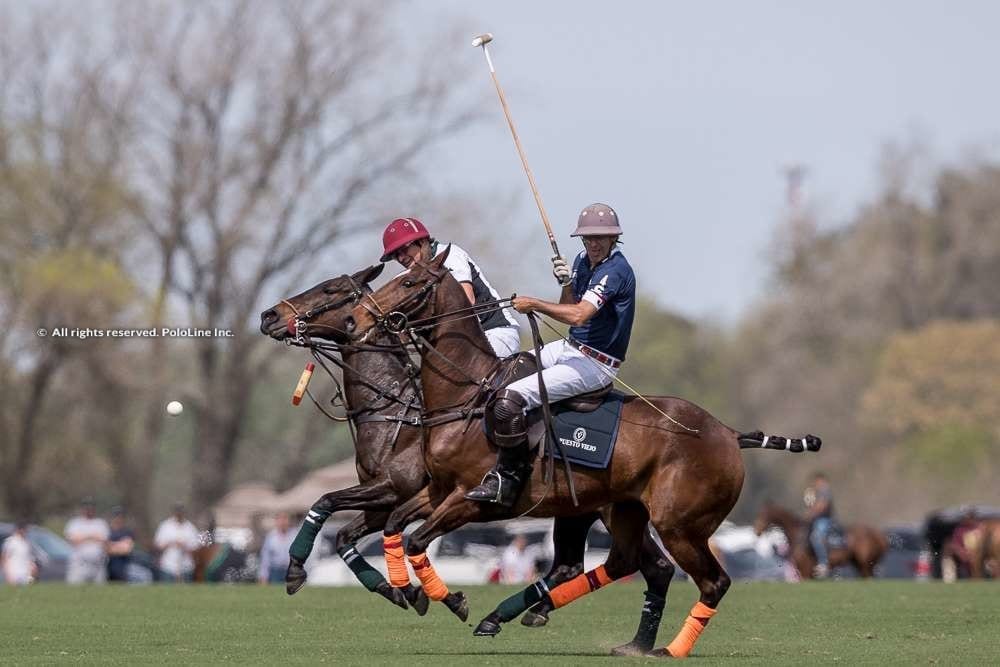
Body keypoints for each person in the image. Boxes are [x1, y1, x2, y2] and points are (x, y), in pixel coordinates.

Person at [466, 203, 635, 507]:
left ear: (613, 239)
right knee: (506, 371)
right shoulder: (584, 261)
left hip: (595, 363)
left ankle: (509, 478)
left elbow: (579, 315)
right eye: (587, 239)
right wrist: (568, 283)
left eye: (599, 238)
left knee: (512, 398)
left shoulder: (616, 271)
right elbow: (567, 304)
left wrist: (534, 303)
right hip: (570, 348)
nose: (592, 244)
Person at [380, 217, 521, 358]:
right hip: (458, 345)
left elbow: (466, 300)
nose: (401, 258)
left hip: (495, 332)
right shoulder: (406, 278)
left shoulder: (449, 254)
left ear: (422, 241)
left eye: (404, 249)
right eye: (395, 255)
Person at [64, 498, 110, 584]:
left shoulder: (101, 523)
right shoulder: (74, 523)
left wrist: (84, 537)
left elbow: (104, 540)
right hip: (80, 564)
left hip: (97, 564)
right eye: (86, 507)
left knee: (100, 592)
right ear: (82, 509)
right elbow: (73, 540)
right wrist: (92, 536)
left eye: (91, 507)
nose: (89, 510)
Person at [154, 503, 201, 582]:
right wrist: (171, 543)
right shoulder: (165, 526)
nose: (179, 514)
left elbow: (196, 548)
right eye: (177, 512)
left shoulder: (190, 528)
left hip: (186, 566)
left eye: (181, 512)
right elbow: (158, 545)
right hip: (168, 566)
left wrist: (185, 546)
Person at [804, 472, 835, 578]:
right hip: (817, 520)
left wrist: (811, 512)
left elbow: (822, 506)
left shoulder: (825, 491)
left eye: (817, 481)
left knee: (816, 538)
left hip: (824, 520)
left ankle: (823, 563)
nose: (816, 484)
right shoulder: (816, 493)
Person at [258, 512, 295, 584]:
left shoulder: (295, 535)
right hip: (276, 571)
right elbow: (265, 558)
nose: (283, 522)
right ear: (276, 521)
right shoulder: (271, 537)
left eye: (285, 519)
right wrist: (263, 576)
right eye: (280, 519)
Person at [2, 521, 37, 585]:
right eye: (24, 529)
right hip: (14, 574)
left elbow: (29, 558)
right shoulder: (10, 542)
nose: (26, 532)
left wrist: (32, 568)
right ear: (19, 529)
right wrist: (8, 574)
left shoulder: (27, 542)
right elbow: (5, 558)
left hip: (26, 574)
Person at [106, 507, 135, 583]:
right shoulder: (107, 530)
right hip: (107, 563)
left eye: (120, 516)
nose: (118, 518)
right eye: (116, 516)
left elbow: (127, 549)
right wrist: (120, 545)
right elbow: (105, 548)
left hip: (122, 564)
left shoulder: (127, 532)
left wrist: (111, 545)